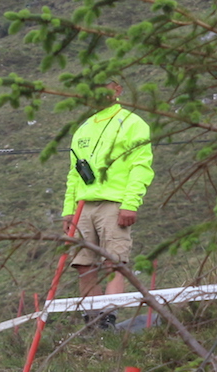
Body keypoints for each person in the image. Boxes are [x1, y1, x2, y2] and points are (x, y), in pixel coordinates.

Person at [62, 81, 154, 329]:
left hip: (115, 202)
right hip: (83, 206)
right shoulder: (83, 128)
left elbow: (141, 166)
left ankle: (108, 320)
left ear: (117, 89)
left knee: (114, 263)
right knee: (83, 264)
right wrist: (69, 211)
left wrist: (130, 204)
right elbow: (74, 173)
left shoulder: (133, 123)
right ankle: (92, 322)